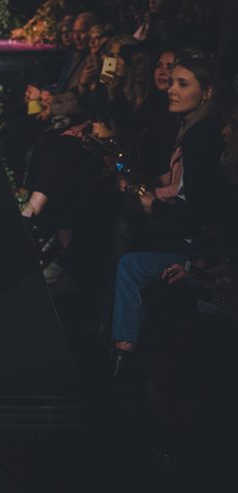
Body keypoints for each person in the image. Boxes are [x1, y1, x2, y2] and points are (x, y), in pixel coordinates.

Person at [109, 49, 232, 377]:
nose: (171, 89)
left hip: (204, 252)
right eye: (172, 82)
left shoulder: (201, 137)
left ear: (206, 92)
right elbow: (182, 185)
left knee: (130, 259)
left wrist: (154, 204)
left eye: (182, 84)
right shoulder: (192, 129)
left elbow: (205, 217)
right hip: (198, 243)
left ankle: (123, 360)